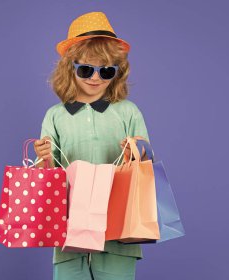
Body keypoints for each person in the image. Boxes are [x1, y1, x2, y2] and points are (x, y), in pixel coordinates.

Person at [34, 11, 150, 280]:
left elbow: (146, 161)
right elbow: (47, 176)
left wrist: (137, 147)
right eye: (86, 69)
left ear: (117, 72)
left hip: (118, 225)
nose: (95, 78)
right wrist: (43, 158)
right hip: (69, 226)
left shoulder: (128, 112)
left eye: (106, 70)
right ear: (69, 68)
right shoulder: (55, 115)